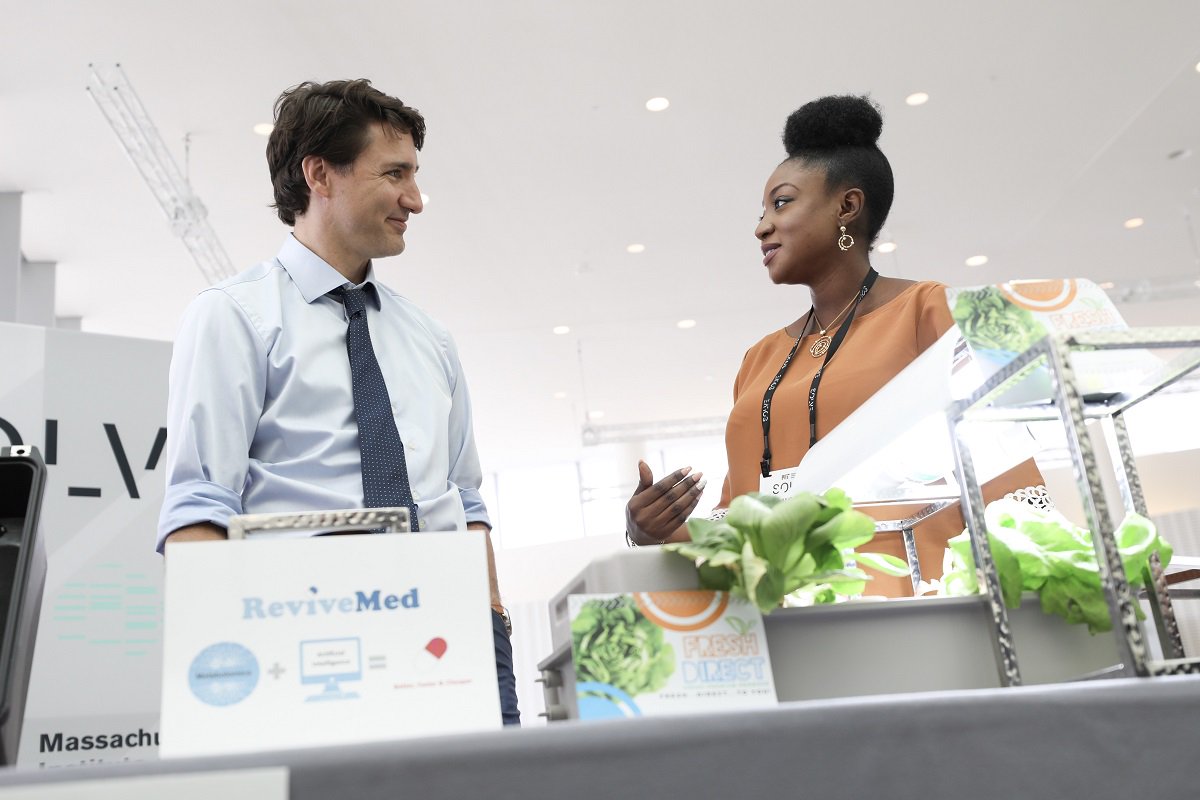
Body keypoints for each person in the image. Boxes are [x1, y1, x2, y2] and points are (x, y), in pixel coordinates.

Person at [156, 79, 519, 723]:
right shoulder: (233, 319)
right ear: (319, 173)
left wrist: (491, 617)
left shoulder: (430, 339)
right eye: (394, 174)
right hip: (304, 638)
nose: (415, 199)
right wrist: (220, 682)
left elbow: (464, 498)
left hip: (451, 636)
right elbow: (199, 505)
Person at [625, 95, 1040, 596]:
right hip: (787, 620)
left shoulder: (928, 309)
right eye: (762, 211)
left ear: (847, 207)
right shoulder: (758, 361)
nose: (761, 226)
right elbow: (744, 519)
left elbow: (1006, 470)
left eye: (781, 203)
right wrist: (654, 530)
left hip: (914, 604)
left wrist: (1036, 577)